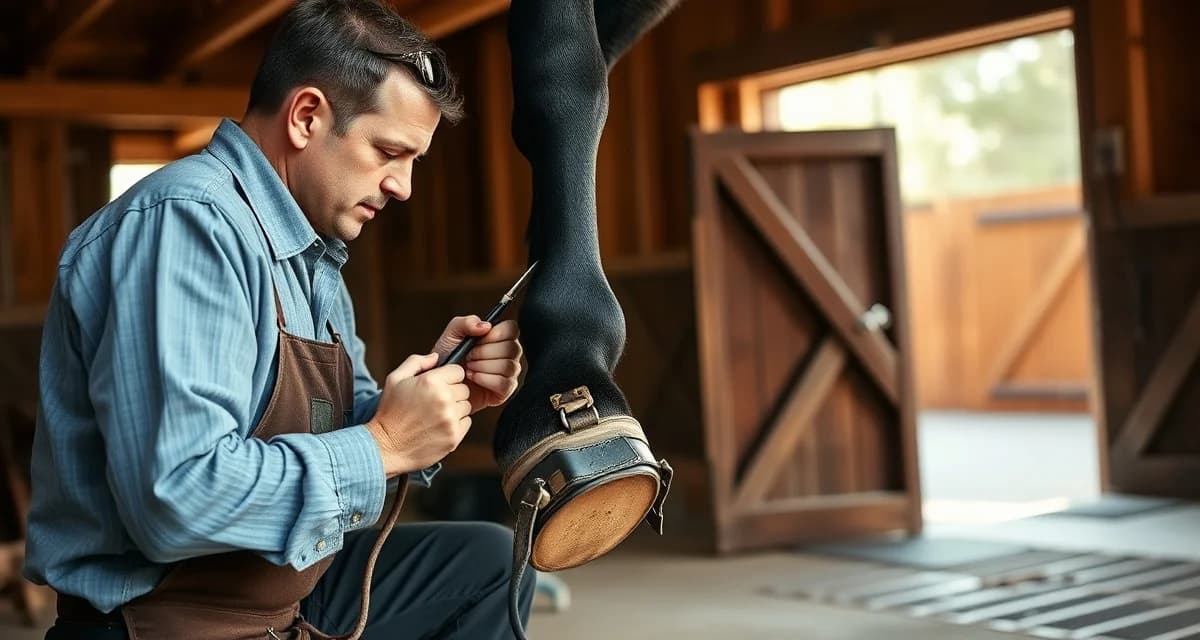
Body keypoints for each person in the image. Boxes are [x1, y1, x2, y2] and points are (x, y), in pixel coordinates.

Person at [24, 0, 535, 638]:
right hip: (164, 620)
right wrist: (386, 445)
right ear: (306, 116)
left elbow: (349, 422)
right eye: (388, 151)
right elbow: (175, 499)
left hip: (281, 599)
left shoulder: (313, 258)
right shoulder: (187, 224)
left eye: (414, 161)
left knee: (488, 562)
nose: (403, 186)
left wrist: (441, 393)